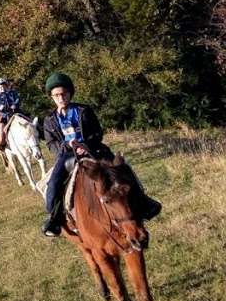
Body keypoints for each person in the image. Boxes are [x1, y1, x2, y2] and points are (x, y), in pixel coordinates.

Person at [40, 71, 161, 237]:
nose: (61, 98)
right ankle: (53, 218)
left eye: (64, 93)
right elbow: (51, 144)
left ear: (70, 93)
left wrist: (86, 145)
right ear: (51, 97)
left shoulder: (84, 110)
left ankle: (144, 202)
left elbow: (97, 132)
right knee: (53, 182)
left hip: (93, 149)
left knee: (122, 169)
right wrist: (67, 146)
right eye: (56, 95)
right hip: (67, 155)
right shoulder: (49, 120)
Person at [0, 77, 22, 150]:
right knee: (1, 126)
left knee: (27, 119)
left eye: (3, 86)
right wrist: (0, 109)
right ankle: (2, 142)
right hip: (5, 115)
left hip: (16, 112)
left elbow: (18, 99)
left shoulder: (12, 93)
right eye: (0, 87)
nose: (2, 88)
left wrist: (15, 104)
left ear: (6, 85)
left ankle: (37, 132)